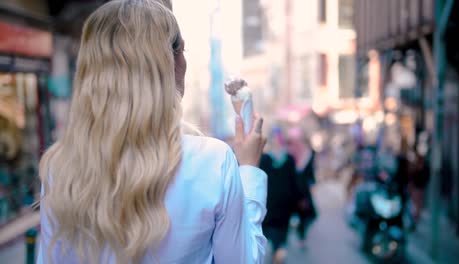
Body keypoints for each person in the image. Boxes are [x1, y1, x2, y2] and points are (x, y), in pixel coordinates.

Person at [37, 1, 268, 263]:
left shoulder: (60, 166)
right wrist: (248, 170)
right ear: (173, 61)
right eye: (183, 49)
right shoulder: (213, 161)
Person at [259, 126, 297, 264]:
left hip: (271, 203)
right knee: (280, 237)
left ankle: (276, 255)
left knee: (270, 233)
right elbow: (294, 183)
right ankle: (278, 255)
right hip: (281, 205)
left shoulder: (264, 159)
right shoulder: (288, 159)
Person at [286, 126, 317, 248]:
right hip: (292, 189)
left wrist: (312, 184)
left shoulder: (308, 153)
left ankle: (301, 231)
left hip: (304, 190)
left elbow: (310, 172)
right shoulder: (289, 154)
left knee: (309, 214)